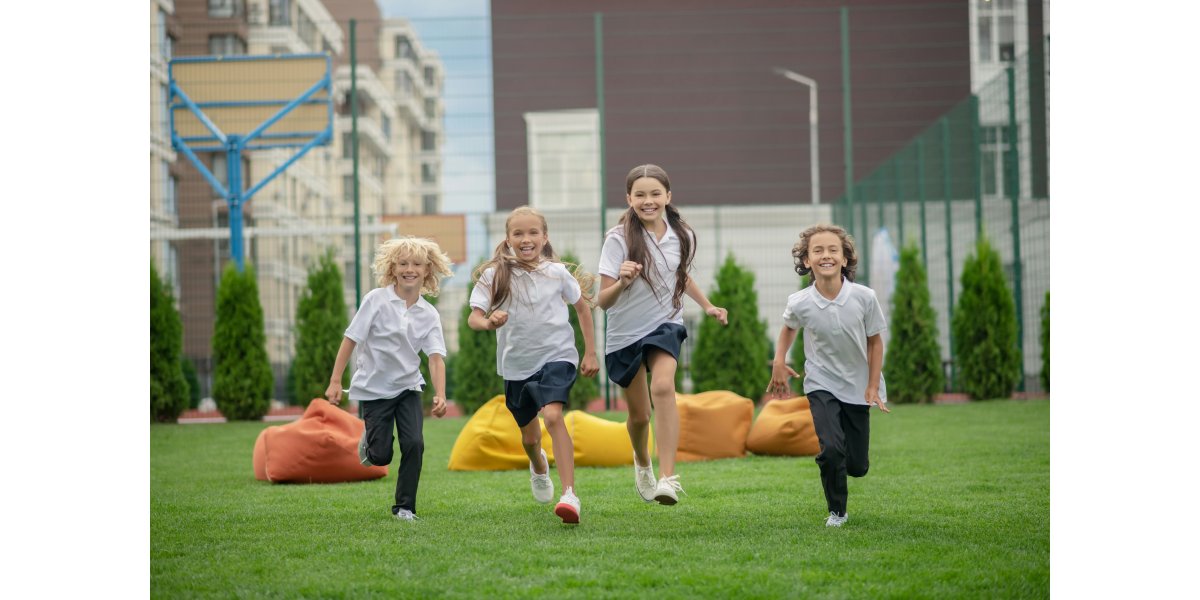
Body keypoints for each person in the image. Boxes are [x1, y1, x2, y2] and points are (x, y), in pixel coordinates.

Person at [597, 164, 728, 506]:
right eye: (639, 194)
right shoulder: (617, 240)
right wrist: (622, 282)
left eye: (655, 193)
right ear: (629, 199)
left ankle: (669, 478)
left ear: (668, 196)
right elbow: (603, 301)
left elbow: (679, 276)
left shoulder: (682, 234)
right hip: (624, 334)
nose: (648, 200)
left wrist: (709, 305)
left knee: (664, 386)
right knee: (639, 417)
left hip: (665, 323)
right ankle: (643, 463)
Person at [467, 206, 600, 524]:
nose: (526, 239)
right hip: (517, 367)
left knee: (554, 415)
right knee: (529, 438)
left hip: (558, 356)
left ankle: (570, 495)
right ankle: (538, 465)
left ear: (544, 237)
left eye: (532, 233)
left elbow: (582, 309)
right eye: (518, 233)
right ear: (508, 238)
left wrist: (591, 353)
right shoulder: (495, 275)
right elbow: (474, 317)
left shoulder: (557, 274)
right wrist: (488, 322)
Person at [766, 224, 891, 528]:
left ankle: (836, 465)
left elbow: (875, 342)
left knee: (858, 465)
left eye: (833, 250)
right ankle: (837, 510)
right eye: (817, 250)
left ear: (845, 259)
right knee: (832, 448)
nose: (826, 255)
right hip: (821, 383)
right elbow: (788, 329)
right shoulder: (800, 302)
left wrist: (873, 385)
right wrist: (779, 362)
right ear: (806, 261)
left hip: (859, 387)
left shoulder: (864, 297)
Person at [325, 236, 453, 522]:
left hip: (408, 387)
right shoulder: (376, 300)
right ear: (392, 269)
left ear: (427, 270)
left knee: (414, 444)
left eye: (417, 264)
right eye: (403, 263)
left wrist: (440, 394)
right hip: (373, 390)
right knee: (381, 456)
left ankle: (405, 507)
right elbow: (350, 340)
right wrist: (336, 381)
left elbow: (435, 358)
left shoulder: (429, 314)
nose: (410, 269)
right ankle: (371, 441)